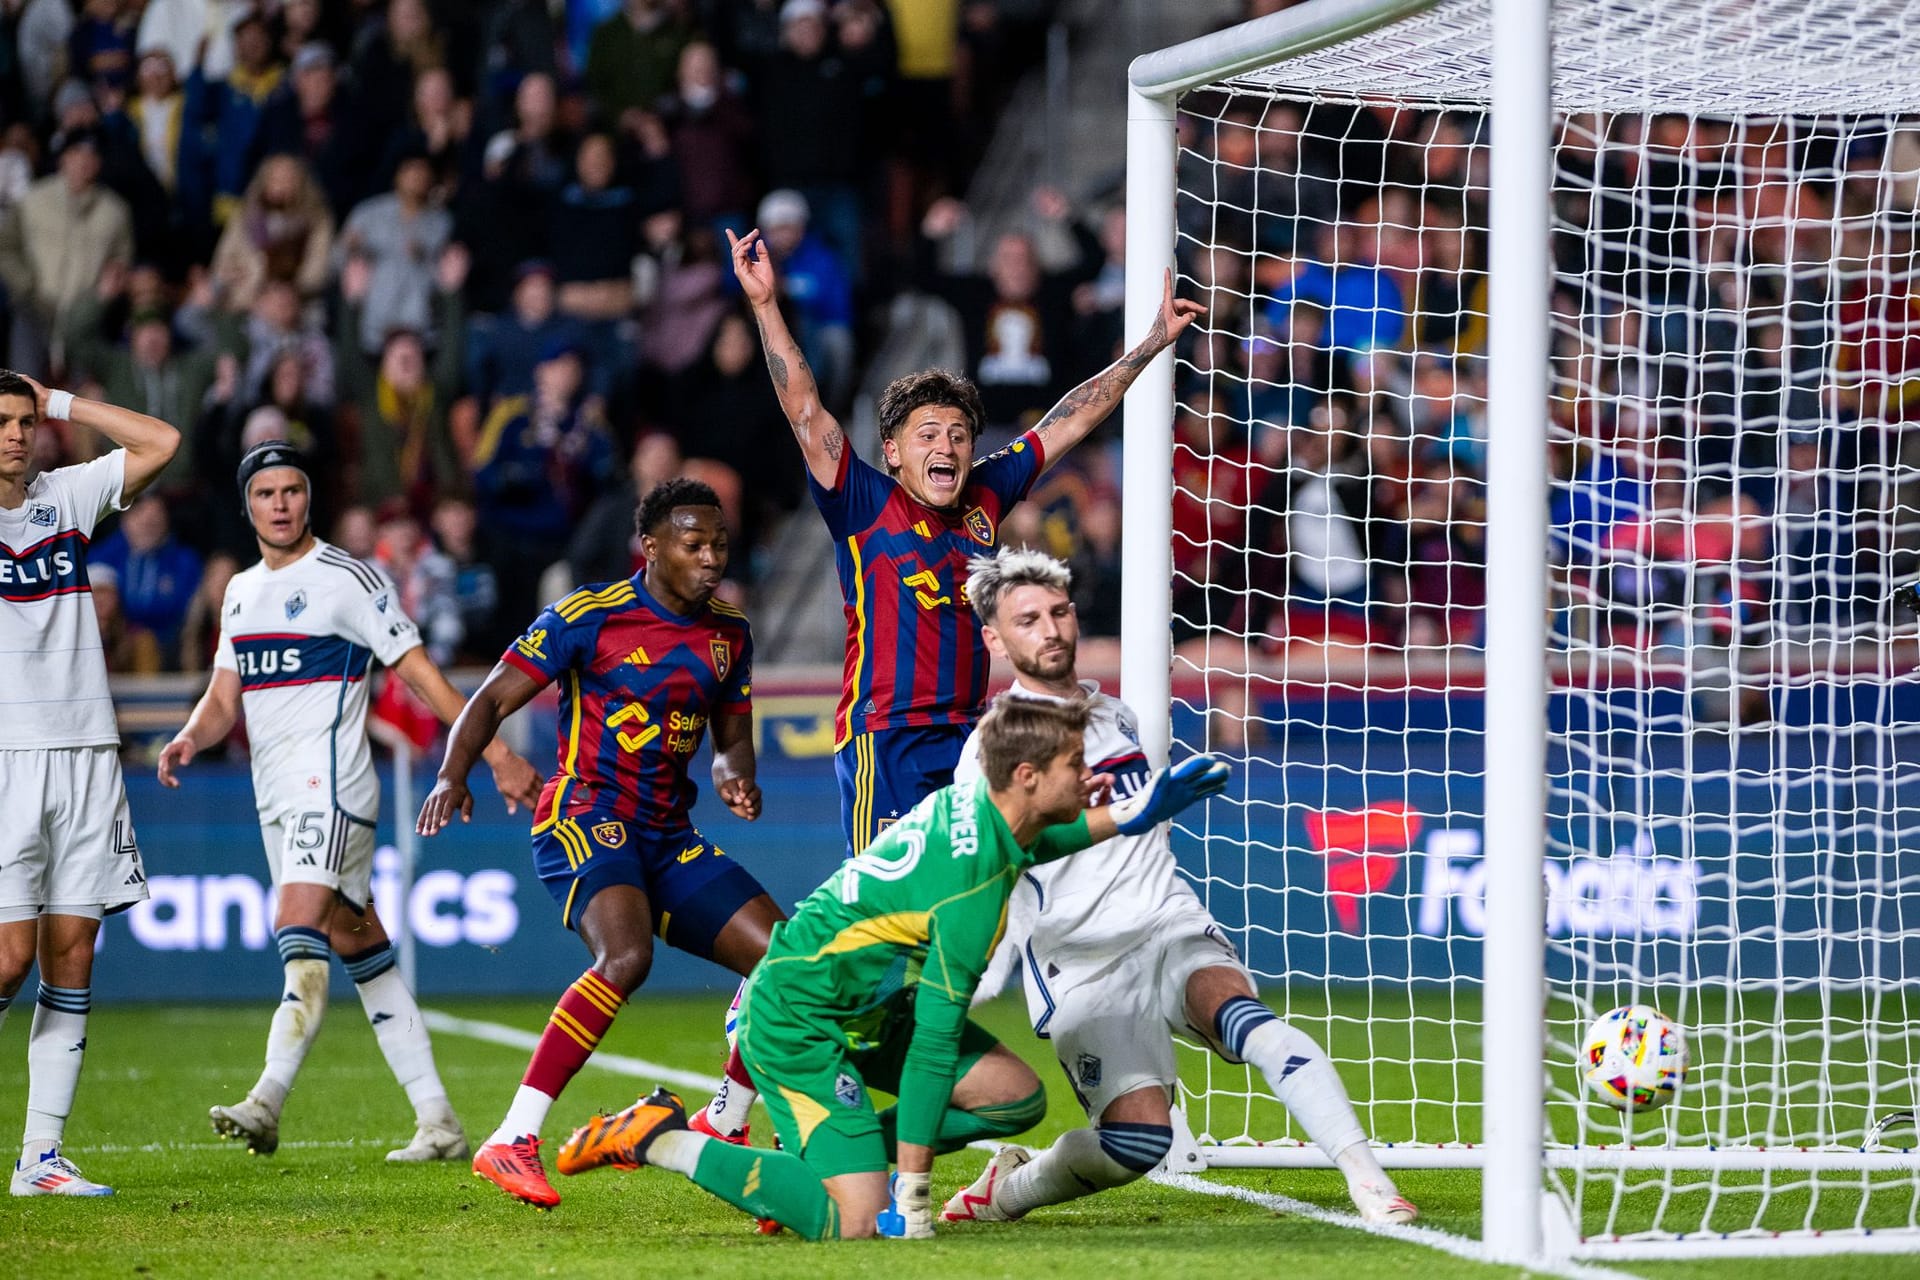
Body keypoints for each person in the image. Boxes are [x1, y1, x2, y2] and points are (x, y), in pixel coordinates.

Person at [552, 698, 1231, 1239]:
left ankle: (830, 1161)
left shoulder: (978, 811)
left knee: (1014, 1097)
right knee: (852, 1222)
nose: (1092, 777)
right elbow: (932, 1053)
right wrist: (914, 1196)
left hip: (864, 1006)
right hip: (798, 1020)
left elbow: (1041, 838)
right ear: (1027, 777)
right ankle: (654, 1138)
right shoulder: (970, 892)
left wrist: (1130, 815)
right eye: (1076, 766)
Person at [935, 547, 1418, 1226]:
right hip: (1080, 960)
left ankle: (1371, 1183)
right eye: (1027, 620)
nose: (1049, 630)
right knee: (1137, 1142)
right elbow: (987, 858)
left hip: (1165, 920)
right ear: (995, 638)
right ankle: (1006, 1191)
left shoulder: (1114, 716)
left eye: (1058, 612)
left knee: (1247, 1021)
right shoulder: (990, 748)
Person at [727, 226, 1202, 859]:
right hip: (884, 739)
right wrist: (764, 305)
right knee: (894, 911)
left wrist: (1148, 347)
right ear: (892, 452)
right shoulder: (864, 501)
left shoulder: (986, 493)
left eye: (957, 434)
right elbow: (806, 409)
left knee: (982, 911)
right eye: (927, 435)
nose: (945, 446)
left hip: (971, 741)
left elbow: (1072, 418)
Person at [156, 440, 542, 1161]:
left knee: (297, 927)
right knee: (360, 947)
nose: (280, 504)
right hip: (274, 790)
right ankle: (440, 1121)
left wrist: (493, 751)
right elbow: (222, 696)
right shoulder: (239, 591)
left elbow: (420, 672)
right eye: (266, 494)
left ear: (309, 498)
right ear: (248, 505)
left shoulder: (348, 578)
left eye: (292, 491)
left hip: (331, 785)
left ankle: (267, 1099)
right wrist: (189, 735)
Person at [417, 479, 782, 1210]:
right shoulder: (591, 613)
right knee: (627, 955)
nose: (712, 558)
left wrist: (735, 776)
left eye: (719, 544)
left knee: (785, 960)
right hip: (584, 811)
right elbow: (491, 696)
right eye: (694, 544)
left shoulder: (728, 635)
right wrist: (453, 775)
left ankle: (727, 1122)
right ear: (650, 549)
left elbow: (732, 742)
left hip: (668, 834)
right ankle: (512, 1139)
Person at [0, 371, 179, 1196]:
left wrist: (63, 400)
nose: (14, 435)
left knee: (72, 954)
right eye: (1, 422)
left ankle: (41, 1159)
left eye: (23, 421)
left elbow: (161, 443)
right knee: (9, 959)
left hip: (87, 753)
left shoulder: (66, 496)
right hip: (6, 759)